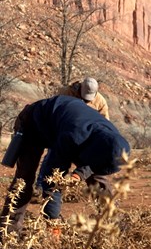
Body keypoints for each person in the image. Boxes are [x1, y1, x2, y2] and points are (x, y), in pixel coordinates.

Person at [0, 95, 130, 233]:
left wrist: (79, 174)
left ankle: (112, 224)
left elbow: (96, 163)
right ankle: (8, 230)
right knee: (24, 179)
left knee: (98, 179)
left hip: (64, 122)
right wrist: (53, 222)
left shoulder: (112, 138)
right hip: (34, 123)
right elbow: (52, 180)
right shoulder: (72, 137)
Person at [35, 77, 110, 194]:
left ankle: (104, 200)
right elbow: (53, 109)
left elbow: (105, 124)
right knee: (52, 160)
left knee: (93, 168)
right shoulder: (65, 92)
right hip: (62, 134)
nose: (86, 100)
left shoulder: (100, 101)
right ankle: (42, 186)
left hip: (84, 139)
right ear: (80, 88)